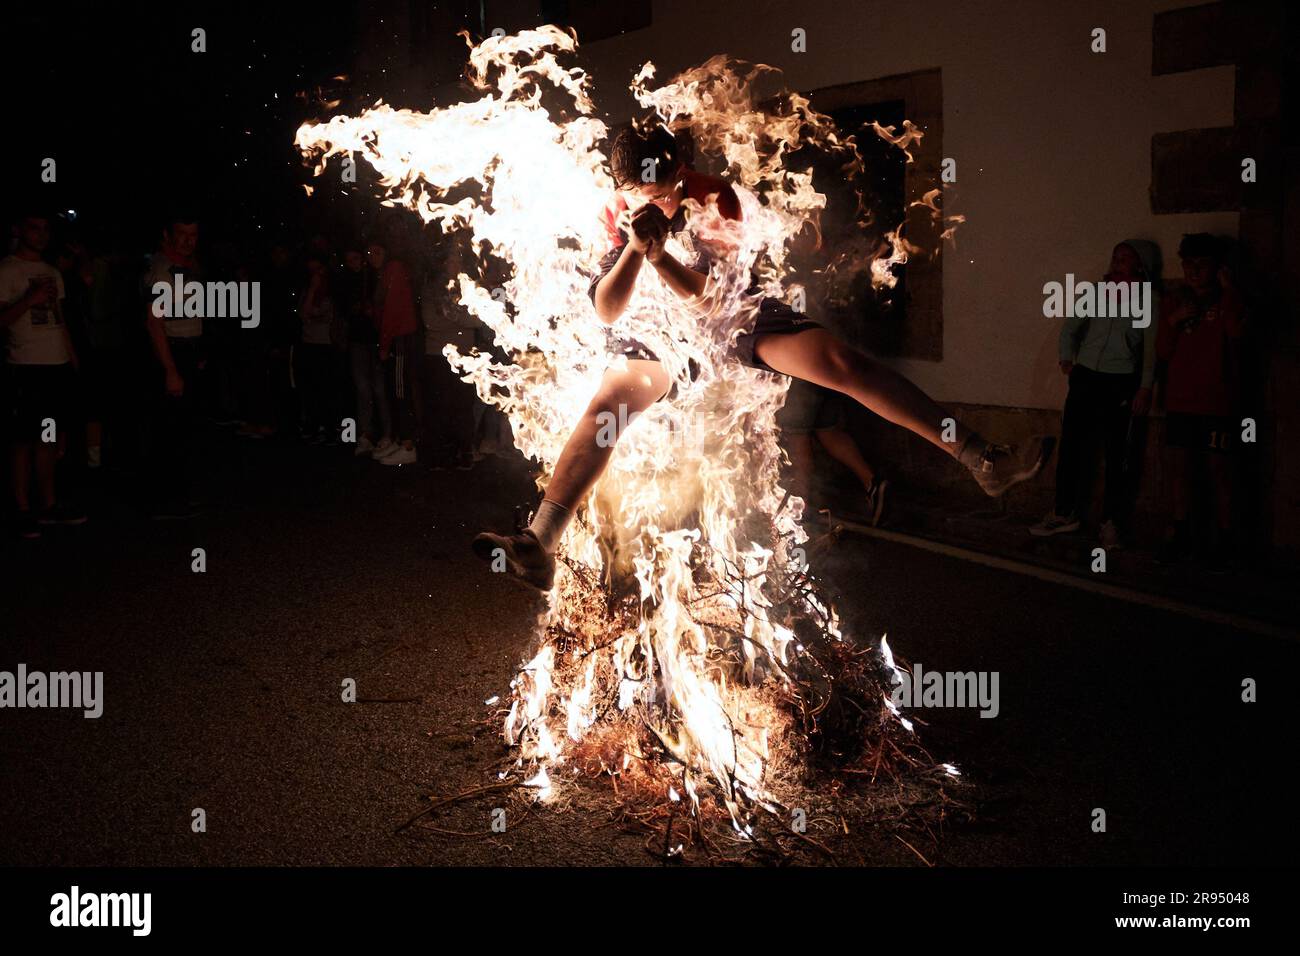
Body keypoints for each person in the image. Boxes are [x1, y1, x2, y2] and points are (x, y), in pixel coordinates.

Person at [473, 123, 1052, 588]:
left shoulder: (714, 198)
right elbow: (607, 309)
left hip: (724, 311)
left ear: (679, 172)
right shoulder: (619, 208)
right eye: (636, 195)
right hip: (655, 331)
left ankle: (979, 456)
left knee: (840, 364)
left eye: (659, 192)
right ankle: (539, 541)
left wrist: (661, 256)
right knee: (608, 405)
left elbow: (709, 301)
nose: (648, 201)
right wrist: (634, 246)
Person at [1032, 240, 1158, 549]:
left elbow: (1150, 349)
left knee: (1118, 454)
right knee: (1073, 445)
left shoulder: (1148, 299)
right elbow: (1071, 327)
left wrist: (1144, 387)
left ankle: (1111, 522)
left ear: (1140, 265)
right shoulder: (1096, 292)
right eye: (1116, 257)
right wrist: (1067, 360)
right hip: (1086, 377)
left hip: (1120, 381)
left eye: (1126, 259)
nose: (1118, 262)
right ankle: (1064, 512)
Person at [1154, 233, 1246, 570]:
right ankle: (1180, 533)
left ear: (1217, 268)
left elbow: (1238, 333)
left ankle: (1223, 539)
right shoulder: (1174, 302)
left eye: (1201, 264)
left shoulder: (1227, 301)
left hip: (1216, 401)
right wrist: (1175, 321)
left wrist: (1230, 290)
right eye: (1187, 264)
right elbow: (1162, 351)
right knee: (1180, 470)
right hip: (1180, 401)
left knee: (1219, 472)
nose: (1193, 271)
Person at [0, 210, 86, 537]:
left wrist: (71, 356)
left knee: (48, 438)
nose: (40, 234)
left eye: (45, 229)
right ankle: (22, 508)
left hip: (55, 365)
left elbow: (59, 317)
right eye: (34, 227)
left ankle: (48, 504)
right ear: (19, 229)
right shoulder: (7, 269)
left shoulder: (51, 271)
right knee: (21, 440)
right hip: (24, 366)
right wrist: (28, 299)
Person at [143, 212, 204, 518]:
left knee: (185, 425)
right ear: (167, 235)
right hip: (172, 352)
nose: (188, 240)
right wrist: (170, 370)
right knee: (170, 427)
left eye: (193, 234)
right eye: (182, 234)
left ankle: (180, 492)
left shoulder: (188, 266)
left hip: (188, 350)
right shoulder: (162, 271)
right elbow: (154, 323)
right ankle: (164, 499)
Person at [779, 379, 888, 525]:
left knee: (797, 439)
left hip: (799, 375)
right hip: (825, 375)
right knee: (829, 432)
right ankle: (872, 483)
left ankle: (798, 514)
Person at [421, 243, 479, 470]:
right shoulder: (432, 288)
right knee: (440, 407)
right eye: (453, 258)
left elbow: (476, 320)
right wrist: (459, 317)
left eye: (458, 258)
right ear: (444, 262)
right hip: (438, 355)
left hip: (465, 354)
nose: (457, 262)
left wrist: (452, 315)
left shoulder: (468, 287)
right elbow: (431, 322)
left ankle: (464, 452)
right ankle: (440, 455)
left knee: (463, 406)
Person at [368, 238, 419, 466]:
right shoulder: (383, 273)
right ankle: (400, 440)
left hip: (400, 338)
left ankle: (408, 445)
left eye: (377, 251)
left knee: (400, 392)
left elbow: (392, 311)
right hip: (394, 338)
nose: (372, 257)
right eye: (369, 252)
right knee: (395, 391)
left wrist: (385, 344)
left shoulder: (394, 268)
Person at [339, 246, 389, 456]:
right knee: (363, 388)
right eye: (349, 260)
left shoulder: (377, 276)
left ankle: (387, 435)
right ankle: (365, 434)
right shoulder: (345, 281)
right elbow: (343, 309)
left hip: (376, 339)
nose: (354, 263)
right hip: (358, 340)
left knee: (379, 388)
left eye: (356, 258)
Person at [296, 254, 338, 442]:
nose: (315, 275)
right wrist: (312, 290)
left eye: (317, 270)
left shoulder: (331, 293)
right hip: (308, 343)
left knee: (326, 388)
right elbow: (304, 314)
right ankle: (313, 424)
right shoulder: (307, 291)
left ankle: (328, 427)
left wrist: (314, 315)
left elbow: (327, 316)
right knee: (310, 387)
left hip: (325, 345)